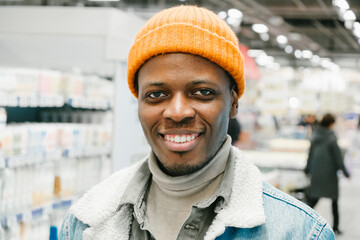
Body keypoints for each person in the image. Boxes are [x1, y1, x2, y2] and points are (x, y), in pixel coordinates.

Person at [60, 5, 334, 239]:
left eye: (202, 92)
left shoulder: (299, 231)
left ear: (234, 102)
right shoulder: (85, 222)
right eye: (157, 95)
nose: (177, 112)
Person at [305, 113, 350, 235]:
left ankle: (303, 221)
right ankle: (336, 226)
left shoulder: (315, 136)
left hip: (317, 172)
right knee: (334, 200)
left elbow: (310, 154)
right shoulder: (331, 137)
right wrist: (346, 173)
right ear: (331, 123)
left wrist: (307, 169)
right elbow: (338, 158)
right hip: (329, 174)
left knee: (313, 199)